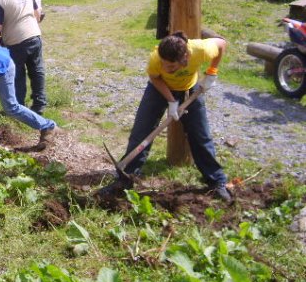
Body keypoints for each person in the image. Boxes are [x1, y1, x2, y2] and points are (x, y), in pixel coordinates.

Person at [98, 32, 232, 203]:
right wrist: (171, 101)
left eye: (170, 66)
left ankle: (217, 181)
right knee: (141, 131)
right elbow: (155, 77)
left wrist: (212, 72)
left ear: (185, 58)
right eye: (163, 63)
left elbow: (221, 43)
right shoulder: (156, 59)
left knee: (201, 135)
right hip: (158, 90)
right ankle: (126, 178)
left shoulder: (201, 50)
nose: (165, 67)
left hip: (189, 90)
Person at [0, 0, 47, 115]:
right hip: (34, 35)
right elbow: (37, 14)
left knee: (18, 74)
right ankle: (39, 104)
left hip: (16, 42)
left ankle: (19, 106)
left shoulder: (1, 0)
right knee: (37, 71)